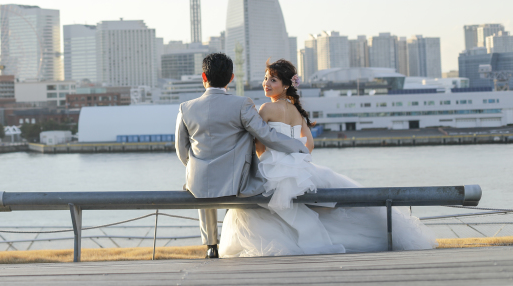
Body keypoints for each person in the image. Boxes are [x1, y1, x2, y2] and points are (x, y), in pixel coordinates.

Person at [219, 58, 437, 257]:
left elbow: (259, 144)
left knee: (253, 207)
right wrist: (295, 160)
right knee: (302, 208)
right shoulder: (295, 111)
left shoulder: (266, 108)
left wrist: (268, 160)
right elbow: (309, 145)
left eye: (273, 80)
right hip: (299, 167)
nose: (266, 83)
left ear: (286, 85)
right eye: (266, 78)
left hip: (272, 167)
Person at [175, 53, 310, 258]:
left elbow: (181, 149)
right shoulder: (242, 104)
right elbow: (266, 134)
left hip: (199, 181)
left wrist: (195, 164)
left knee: (202, 178)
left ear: (203, 76)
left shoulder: (185, 108)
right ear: (231, 78)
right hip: (237, 181)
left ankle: (211, 245)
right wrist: (297, 147)